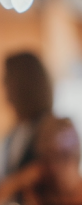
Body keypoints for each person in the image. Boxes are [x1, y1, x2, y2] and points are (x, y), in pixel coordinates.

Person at [0, 52, 53, 183]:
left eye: (6, 79)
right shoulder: (15, 131)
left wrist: (11, 186)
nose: (3, 86)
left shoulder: (51, 128)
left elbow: (48, 169)